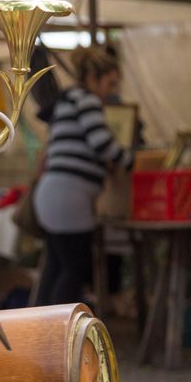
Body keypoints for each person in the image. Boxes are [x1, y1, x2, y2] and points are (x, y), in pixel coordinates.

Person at [32, 44, 132, 306]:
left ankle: (41, 327)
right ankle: (58, 332)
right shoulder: (86, 101)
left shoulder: (67, 101)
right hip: (69, 198)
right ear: (92, 79)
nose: (111, 92)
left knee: (56, 266)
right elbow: (102, 144)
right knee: (74, 269)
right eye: (109, 84)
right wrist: (131, 160)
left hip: (52, 195)